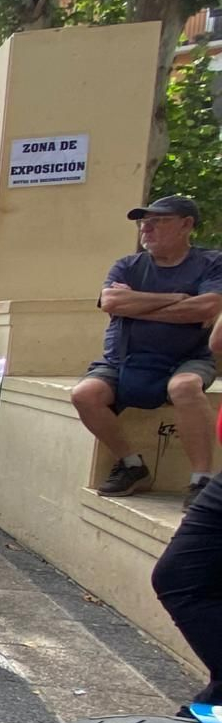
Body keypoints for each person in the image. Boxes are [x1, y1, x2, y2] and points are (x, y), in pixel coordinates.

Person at [71, 195, 222, 509]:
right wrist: (180, 299)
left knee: (185, 388)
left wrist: (137, 307)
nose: (147, 228)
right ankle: (131, 465)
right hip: (122, 360)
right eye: (144, 222)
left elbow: (208, 306)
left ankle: (202, 479)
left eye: (159, 220)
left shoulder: (211, 262)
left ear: (186, 225)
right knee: (85, 395)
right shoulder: (127, 265)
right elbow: (112, 302)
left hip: (187, 359)